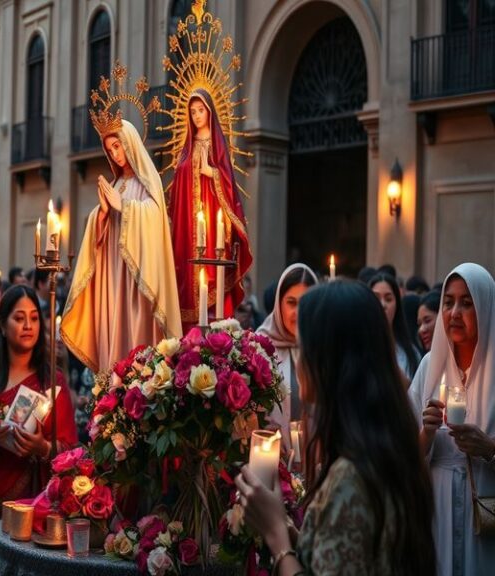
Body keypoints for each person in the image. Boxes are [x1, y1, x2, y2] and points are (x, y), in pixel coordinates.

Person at [237, 280, 436, 575]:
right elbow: (342, 554)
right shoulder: (382, 446)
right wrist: (287, 527)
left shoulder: (351, 475)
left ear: (330, 361)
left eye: (304, 347)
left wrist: (276, 535)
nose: (298, 361)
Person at [0, 285, 78, 574]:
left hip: (36, 510)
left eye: (34, 318)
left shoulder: (52, 382)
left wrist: (42, 447)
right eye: (19, 318)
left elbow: (71, 452)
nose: (28, 325)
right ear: (2, 326)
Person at [61, 119, 182, 373]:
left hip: (139, 279)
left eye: (117, 146)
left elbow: (155, 219)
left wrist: (124, 207)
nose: (115, 154)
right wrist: (102, 215)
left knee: (135, 332)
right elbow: (99, 236)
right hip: (113, 277)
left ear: (130, 143)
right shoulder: (115, 185)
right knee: (113, 329)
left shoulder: (147, 182)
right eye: (110, 150)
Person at [409, 263, 495, 575]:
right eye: (448, 302)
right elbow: (403, 454)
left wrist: (489, 448)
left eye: (466, 303)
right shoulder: (430, 367)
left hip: (484, 511)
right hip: (438, 509)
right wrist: (426, 434)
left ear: (485, 307)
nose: (455, 313)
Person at [168, 89, 252, 328]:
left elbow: (228, 183)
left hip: (213, 224)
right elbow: (178, 187)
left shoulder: (218, 145)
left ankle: (215, 330)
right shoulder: (187, 148)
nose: (196, 115)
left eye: (201, 110)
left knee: (213, 271)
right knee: (186, 276)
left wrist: (211, 172)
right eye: (192, 112)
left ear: (210, 112)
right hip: (188, 225)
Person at [257, 264, 317, 448]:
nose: (298, 312)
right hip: (273, 456)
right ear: (278, 304)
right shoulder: (259, 347)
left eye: (305, 303)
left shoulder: (324, 346)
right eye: (291, 303)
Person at [370, 273, 421, 381]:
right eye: (376, 298)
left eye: (388, 299)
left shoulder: (410, 353)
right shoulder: (357, 349)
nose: (382, 305)